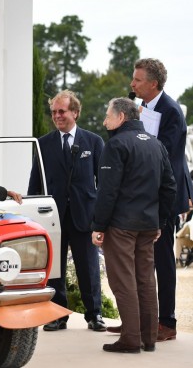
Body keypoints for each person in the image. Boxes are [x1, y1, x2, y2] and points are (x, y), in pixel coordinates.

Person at [108, 58, 193, 341]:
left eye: (137, 80)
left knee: (161, 260)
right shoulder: (137, 109)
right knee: (132, 260)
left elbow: (166, 155)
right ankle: (136, 321)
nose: (132, 84)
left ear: (153, 84)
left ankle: (166, 322)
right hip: (139, 195)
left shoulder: (171, 112)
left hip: (162, 197)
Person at [92, 97, 176, 353]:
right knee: (146, 280)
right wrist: (159, 221)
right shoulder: (156, 144)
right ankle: (148, 338)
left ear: (121, 117)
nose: (105, 121)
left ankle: (130, 339)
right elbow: (169, 187)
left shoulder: (115, 144)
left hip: (121, 225)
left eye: (108, 116)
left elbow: (107, 191)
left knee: (123, 282)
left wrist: (99, 225)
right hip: (148, 224)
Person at [27, 90, 106, 332]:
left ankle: (95, 315)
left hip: (84, 216)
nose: (57, 116)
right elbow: (35, 182)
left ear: (75, 112)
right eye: (53, 112)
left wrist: (101, 218)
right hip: (52, 218)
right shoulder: (42, 144)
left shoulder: (94, 142)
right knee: (54, 269)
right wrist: (31, 216)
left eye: (62, 111)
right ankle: (57, 315)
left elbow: (103, 183)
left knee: (89, 268)